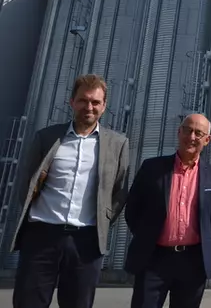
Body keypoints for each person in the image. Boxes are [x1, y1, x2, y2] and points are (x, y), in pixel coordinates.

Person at [10, 74, 130, 308]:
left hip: (85, 241)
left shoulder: (117, 144)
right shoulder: (47, 137)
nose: (89, 107)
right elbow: (25, 183)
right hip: (41, 236)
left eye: (96, 102)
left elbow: (119, 191)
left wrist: (103, 220)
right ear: (72, 102)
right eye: (83, 100)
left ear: (104, 106)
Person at [124, 113, 211, 308]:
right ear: (179, 132)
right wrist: (147, 236)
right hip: (154, 258)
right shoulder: (152, 168)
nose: (192, 137)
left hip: (193, 262)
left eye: (198, 133)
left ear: (207, 139)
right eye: (187, 130)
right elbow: (133, 209)